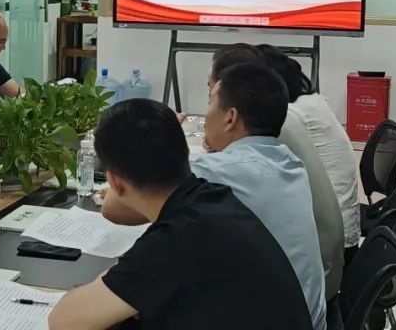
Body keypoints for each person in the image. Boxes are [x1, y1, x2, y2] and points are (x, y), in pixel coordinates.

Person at [48, 98, 312, 330]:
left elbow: (65, 321)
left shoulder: (180, 236)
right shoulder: (210, 200)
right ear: (184, 153)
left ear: (115, 182)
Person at [193, 61, 328, 330]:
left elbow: (132, 199)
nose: (205, 115)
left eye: (210, 103)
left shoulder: (217, 171)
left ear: (230, 117)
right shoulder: (290, 163)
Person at [210, 45, 346, 300]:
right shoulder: (281, 124)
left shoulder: (272, 132)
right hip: (325, 267)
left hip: (315, 281)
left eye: (211, 96)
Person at [257, 44, 361, 260]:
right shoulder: (311, 101)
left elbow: (257, 166)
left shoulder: (290, 114)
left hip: (326, 245)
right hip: (339, 229)